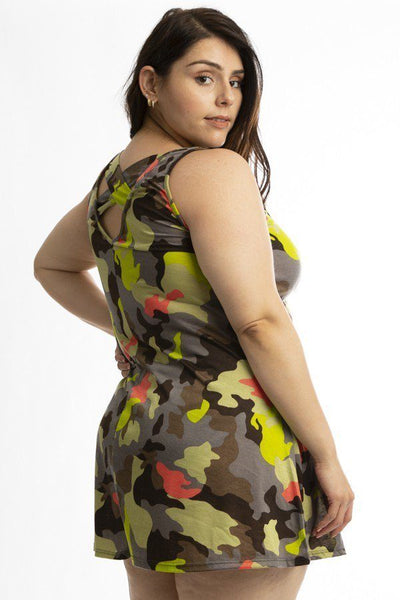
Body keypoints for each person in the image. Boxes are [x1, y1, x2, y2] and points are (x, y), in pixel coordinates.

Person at [33, 7, 354, 600]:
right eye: (204, 77)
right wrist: (327, 455)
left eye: (237, 81)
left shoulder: (116, 184)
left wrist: (135, 335)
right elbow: (259, 322)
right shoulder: (211, 170)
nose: (226, 98)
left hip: (140, 435)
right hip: (231, 444)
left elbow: (50, 266)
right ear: (150, 83)